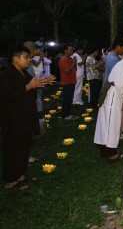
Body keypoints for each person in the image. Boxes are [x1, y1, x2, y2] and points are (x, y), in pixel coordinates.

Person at [0, 47, 54, 190]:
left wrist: (44, 81)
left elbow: (33, 83)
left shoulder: (24, 73)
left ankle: (20, 174)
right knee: (13, 148)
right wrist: (28, 87)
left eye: (29, 57)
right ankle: (10, 179)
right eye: (26, 57)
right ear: (15, 59)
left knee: (24, 146)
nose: (29, 60)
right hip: (13, 119)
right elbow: (7, 95)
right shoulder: (6, 75)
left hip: (25, 117)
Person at [59, 44, 78, 120]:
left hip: (72, 81)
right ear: (65, 50)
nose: (72, 51)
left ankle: (68, 114)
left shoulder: (70, 58)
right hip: (67, 82)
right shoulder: (63, 59)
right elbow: (67, 70)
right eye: (70, 50)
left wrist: (74, 63)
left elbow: (74, 68)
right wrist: (73, 63)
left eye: (72, 50)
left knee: (70, 99)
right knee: (67, 99)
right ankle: (65, 115)